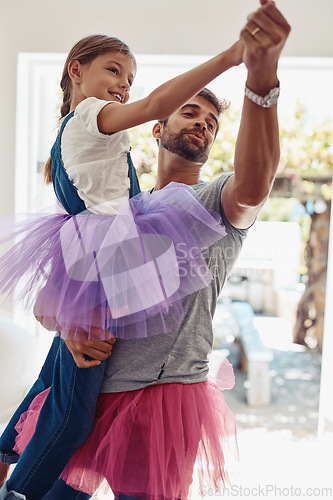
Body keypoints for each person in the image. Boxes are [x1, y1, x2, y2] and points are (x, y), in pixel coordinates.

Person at [0, 0, 291, 498]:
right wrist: (70, 328)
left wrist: (260, 85)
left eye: (210, 122)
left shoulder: (214, 201)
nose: (201, 122)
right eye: (189, 111)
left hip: (163, 400)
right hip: (92, 395)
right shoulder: (113, 210)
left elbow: (255, 186)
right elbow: (50, 303)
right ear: (156, 129)